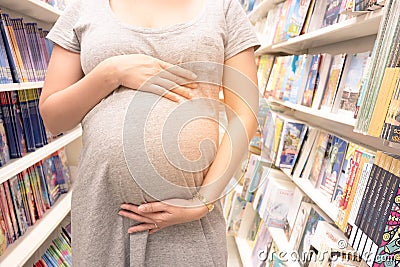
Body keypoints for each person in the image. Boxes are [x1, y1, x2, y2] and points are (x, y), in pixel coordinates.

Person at [39, 0, 260, 266]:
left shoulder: (223, 8)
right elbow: (53, 119)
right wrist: (111, 73)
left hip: (188, 222)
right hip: (103, 213)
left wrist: (203, 201)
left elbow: (244, 113)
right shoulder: (84, 7)